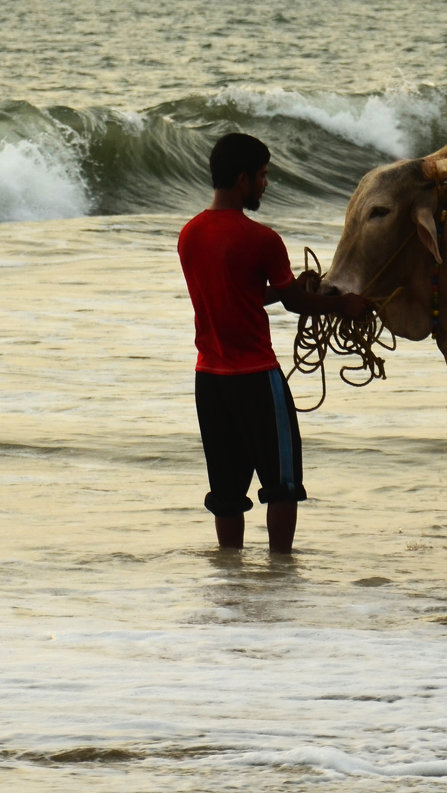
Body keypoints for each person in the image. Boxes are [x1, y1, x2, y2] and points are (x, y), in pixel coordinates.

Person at [178, 132, 369, 554]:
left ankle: (232, 583)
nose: (266, 184)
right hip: (257, 380)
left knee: (226, 492)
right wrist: (345, 306)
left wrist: (286, 291)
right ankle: (280, 579)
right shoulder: (262, 239)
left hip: (209, 381)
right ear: (242, 179)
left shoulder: (189, 235)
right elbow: (298, 304)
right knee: (282, 485)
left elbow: (235, 292)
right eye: (262, 176)